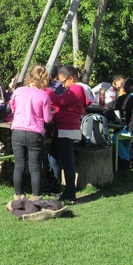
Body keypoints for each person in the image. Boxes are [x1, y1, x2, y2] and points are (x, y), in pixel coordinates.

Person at [46, 65, 91, 203]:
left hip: (68, 129)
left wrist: (47, 91)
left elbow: (61, 101)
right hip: (63, 128)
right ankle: (57, 186)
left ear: (71, 78)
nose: (62, 85)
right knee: (53, 155)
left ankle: (70, 192)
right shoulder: (73, 89)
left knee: (67, 161)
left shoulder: (77, 88)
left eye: (63, 82)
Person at [9, 66, 53, 201]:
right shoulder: (44, 95)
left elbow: (13, 108)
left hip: (17, 131)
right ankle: (36, 197)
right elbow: (47, 119)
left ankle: (18, 195)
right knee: (35, 167)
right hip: (35, 133)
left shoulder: (18, 91)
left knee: (19, 165)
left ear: (29, 77)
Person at [104, 77, 133, 168]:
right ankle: (129, 159)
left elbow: (110, 106)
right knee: (124, 138)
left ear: (123, 88)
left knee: (116, 138)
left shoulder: (126, 98)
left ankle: (125, 160)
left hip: (132, 128)